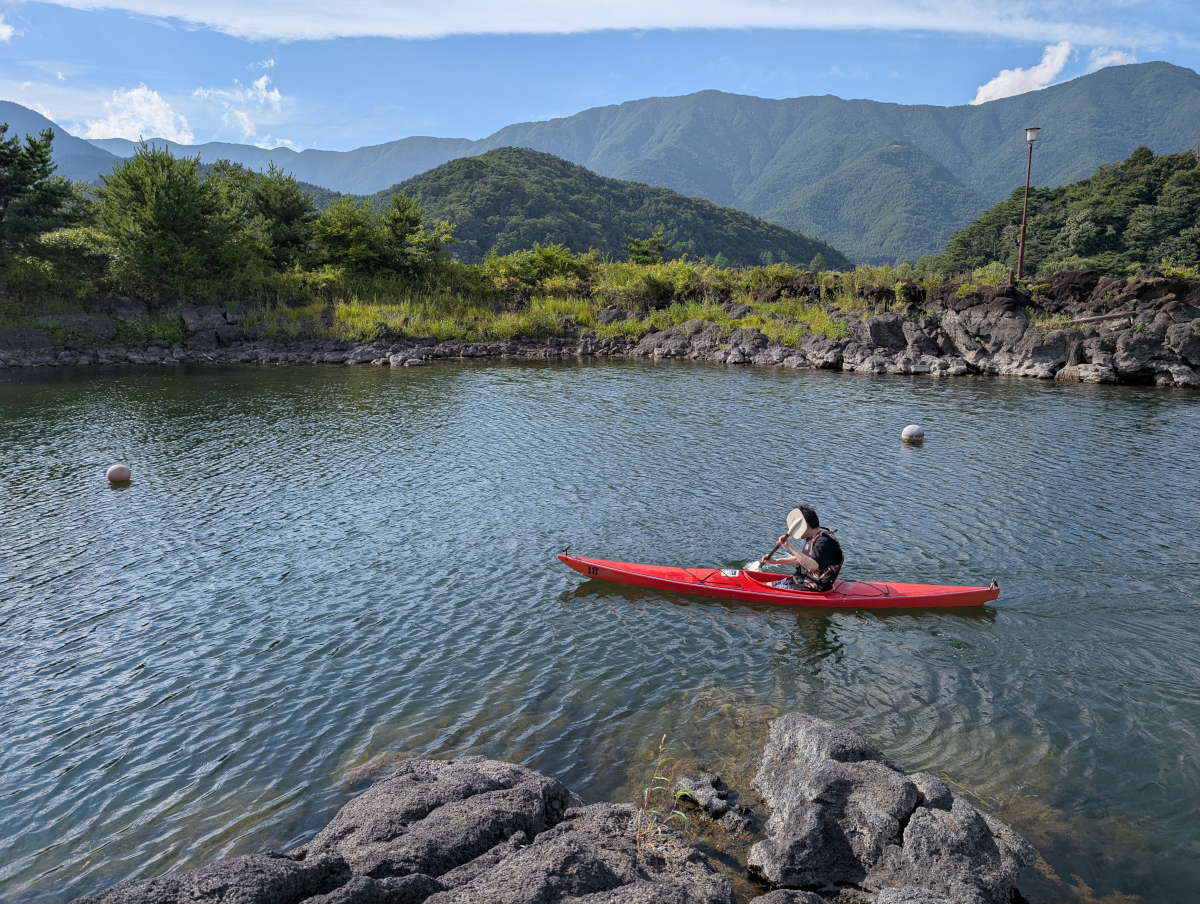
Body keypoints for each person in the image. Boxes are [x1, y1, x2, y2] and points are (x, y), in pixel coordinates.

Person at [760, 504, 845, 592]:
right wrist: (775, 561)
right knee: (763, 584)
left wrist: (790, 546)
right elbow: (802, 560)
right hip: (798, 581)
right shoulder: (812, 537)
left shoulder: (822, 542)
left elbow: (812, 566)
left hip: (810, 587)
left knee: (761, 589)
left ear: (806, 526)